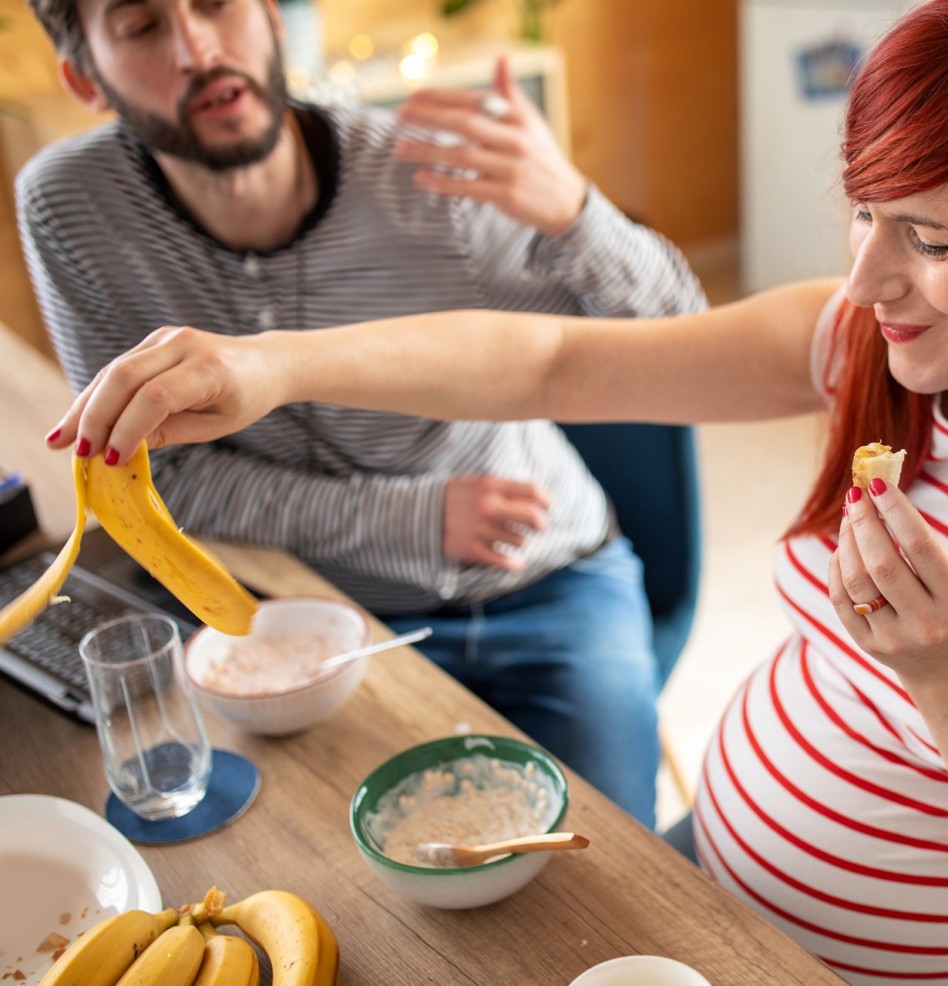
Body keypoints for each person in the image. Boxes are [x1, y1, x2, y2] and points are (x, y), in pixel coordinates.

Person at [48, 1, 948, 982]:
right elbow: (553, 356)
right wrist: (275, 366)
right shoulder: (886, 354)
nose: (866, 279)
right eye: (863, 213)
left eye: (931, 239)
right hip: (720, 899)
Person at [18, 0, 709, 828]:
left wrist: (575, 212)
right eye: (141, 27)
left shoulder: (425, 178)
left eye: (215, 6)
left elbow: (689, 354)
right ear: (83, 77)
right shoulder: (72, 206)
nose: (197, 48)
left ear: (272, 17)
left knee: (597, 868)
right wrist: (411, 519)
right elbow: (163, 476)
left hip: (543, 584)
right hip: (312, 615)